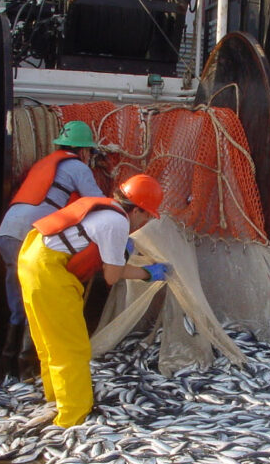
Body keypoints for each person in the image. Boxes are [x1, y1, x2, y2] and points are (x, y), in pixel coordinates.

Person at [17, 173, 167, 429]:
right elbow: (112, 277)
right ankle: (72, 418)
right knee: (72, 348)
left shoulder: (103, 209)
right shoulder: (117, 223)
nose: (145, 223)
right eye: (148, 216)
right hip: (49, 272)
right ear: (138, 210)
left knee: (49, 343)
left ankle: (55, 399)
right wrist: (147, 273)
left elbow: (109, 267)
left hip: (31, 258)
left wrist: (136, 267)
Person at [0, 120, 106, 380]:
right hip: (28, 235)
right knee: (36, 300)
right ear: (82, 150)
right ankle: (28, 368)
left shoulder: (44, 163)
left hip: (6, 232)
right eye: (89, 151)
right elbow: (97, 202)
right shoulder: (77, 166)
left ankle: (7, 366)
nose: (90, 156)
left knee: (19, 301)